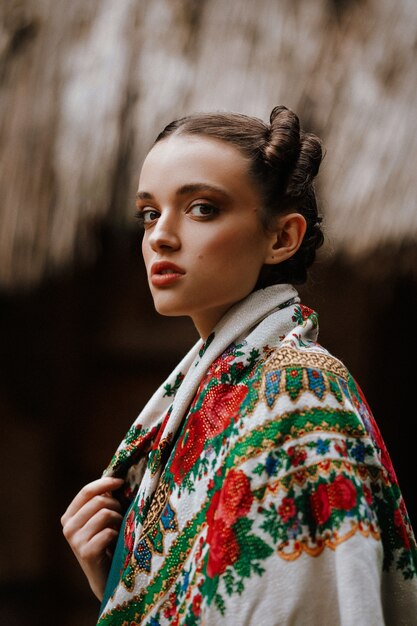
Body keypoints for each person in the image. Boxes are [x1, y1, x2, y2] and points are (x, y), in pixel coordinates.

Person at [61, 106, 417, 625]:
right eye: (149, 213)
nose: (160, 235)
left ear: (281, 238)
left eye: (202, 208)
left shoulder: (297, 391)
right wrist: (118, 579)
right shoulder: (211, 395)